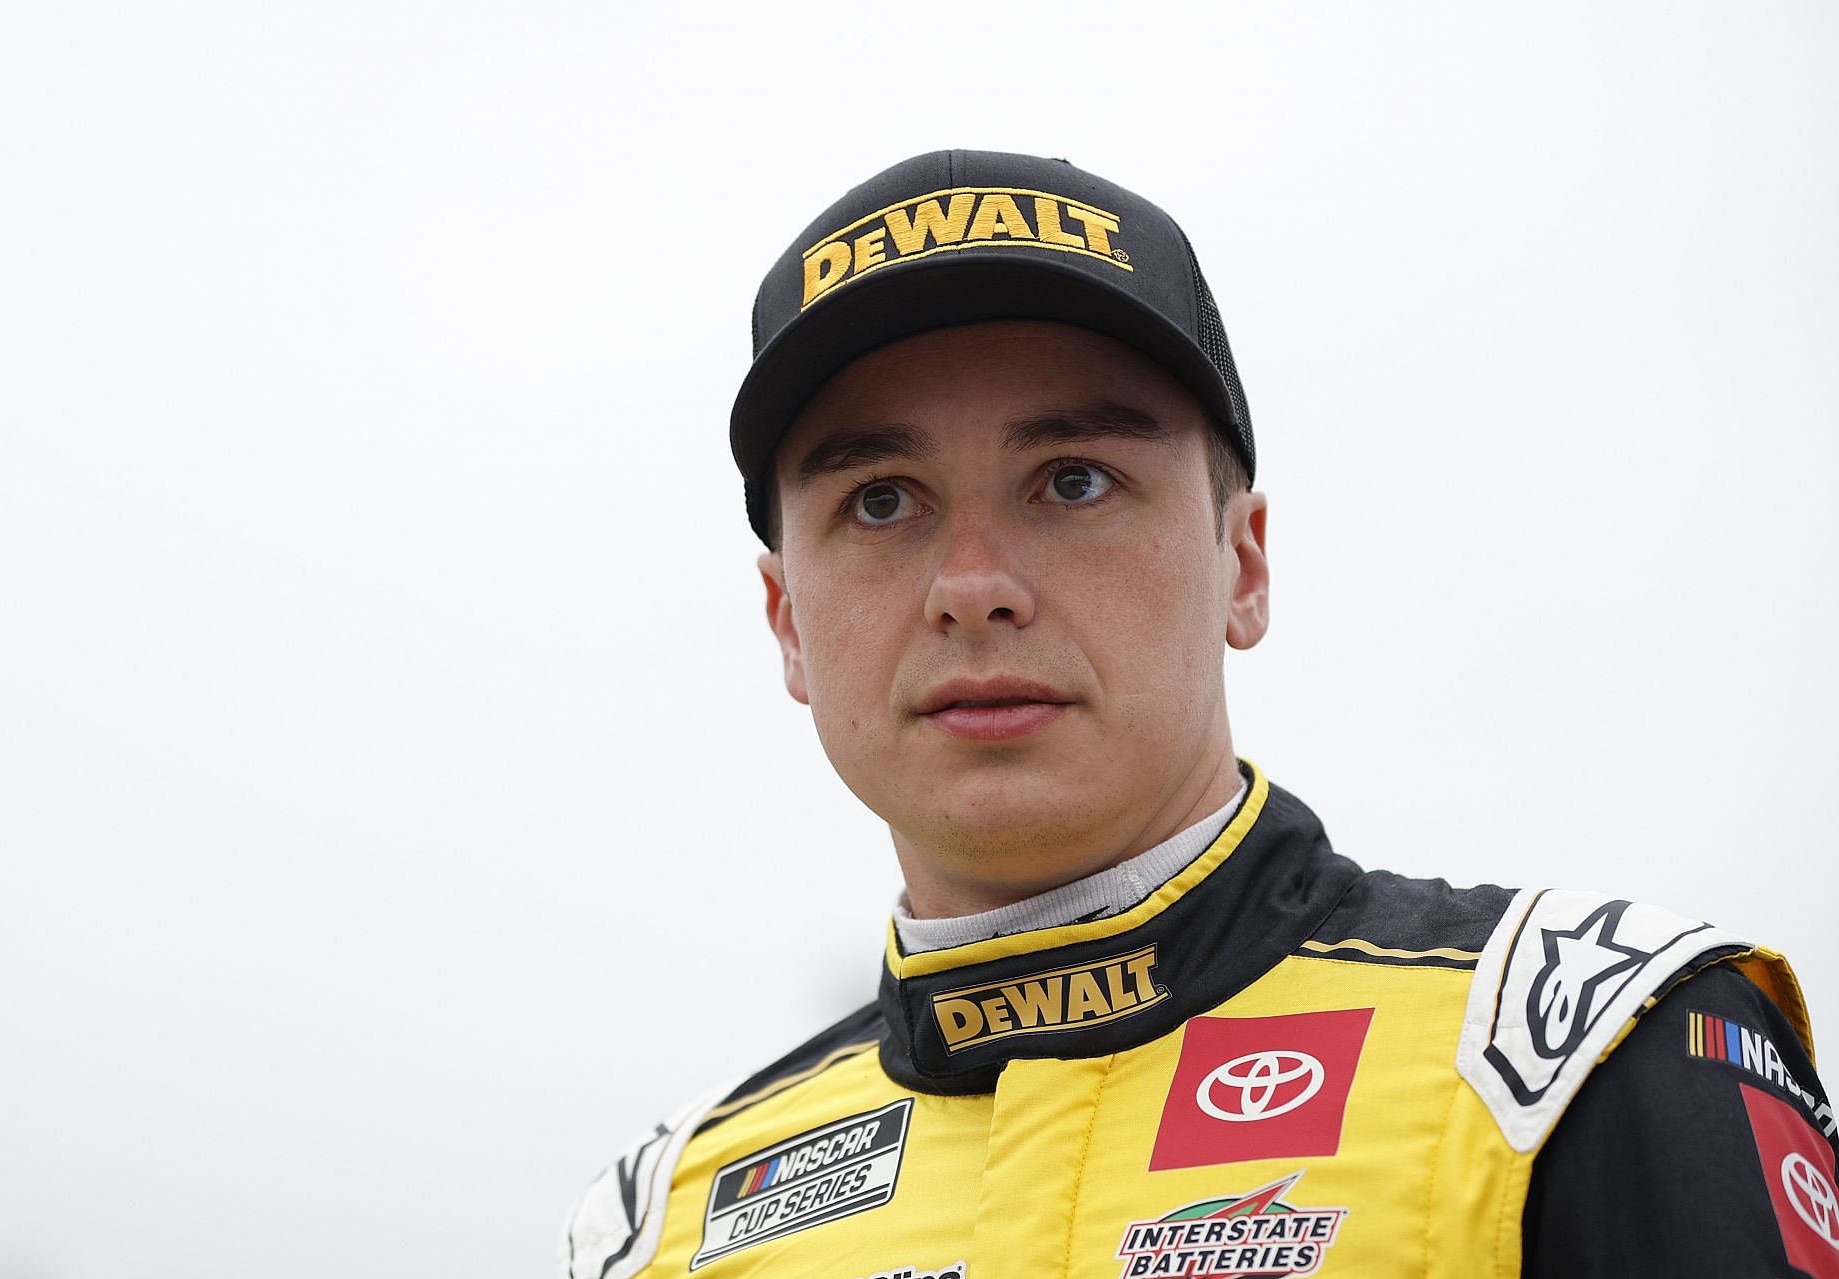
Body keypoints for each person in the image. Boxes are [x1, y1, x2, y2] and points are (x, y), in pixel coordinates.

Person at [563, 151, 1837, 1279]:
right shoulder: (660, 1223)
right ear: (786, 619)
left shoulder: (1581, 1058)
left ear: (1244, 562)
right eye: (883, 502)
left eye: (1074, 479)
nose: (974, 591)